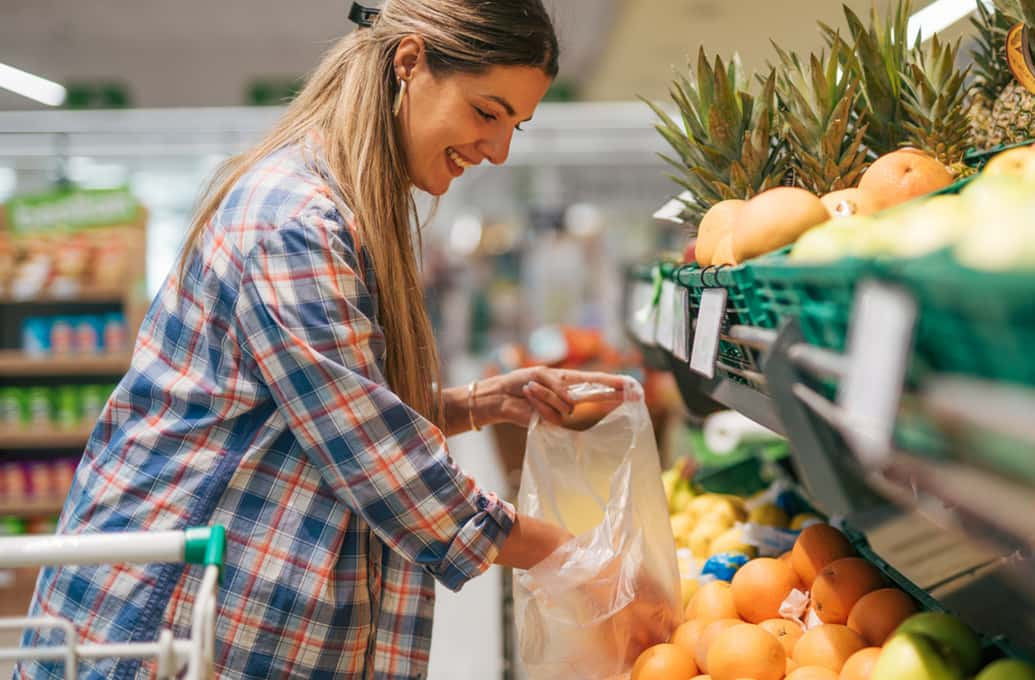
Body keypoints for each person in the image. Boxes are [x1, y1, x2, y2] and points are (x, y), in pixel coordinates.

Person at [19, 2, 631, 678]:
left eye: (516, 124)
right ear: (410, 62)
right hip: (162, 630)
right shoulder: (296, 220)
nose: (498, 149)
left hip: (229, 627)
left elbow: (313, 415)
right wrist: (575, 558)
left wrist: (477, 402)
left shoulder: (349, 207)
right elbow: (383, 466)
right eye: (487, 112)